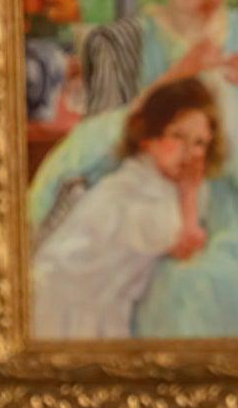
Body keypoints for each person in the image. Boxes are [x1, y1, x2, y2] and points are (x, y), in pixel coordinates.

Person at [27, 0, 238, 338]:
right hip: (156, 196)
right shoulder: (126, 42)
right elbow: (109, 137)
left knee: (228, 282)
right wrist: (174, 76)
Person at [32, 79, 222, 339]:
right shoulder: (132, 189)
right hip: (63, 301)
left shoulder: (167, 186)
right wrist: (189, 193)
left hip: (102, 306)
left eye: (200, 142)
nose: (189, 152)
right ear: (147, 137)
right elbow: (185, 244)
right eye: (177, 136)